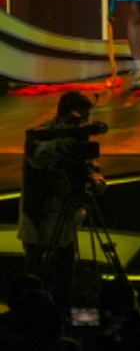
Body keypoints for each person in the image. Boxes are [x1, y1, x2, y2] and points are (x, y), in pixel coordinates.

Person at [19, 91, 105, 306]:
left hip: (66, 222)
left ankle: (71, 317)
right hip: (39, 222)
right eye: (81, 118)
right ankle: (34, 317)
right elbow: (40, 158)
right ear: (67, 115)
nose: (83, 124)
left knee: (67, 282)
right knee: (36, 281)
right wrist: (65, 144)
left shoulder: (78, 137)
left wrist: (96, 182)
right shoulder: (39, 135)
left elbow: (89, 168)